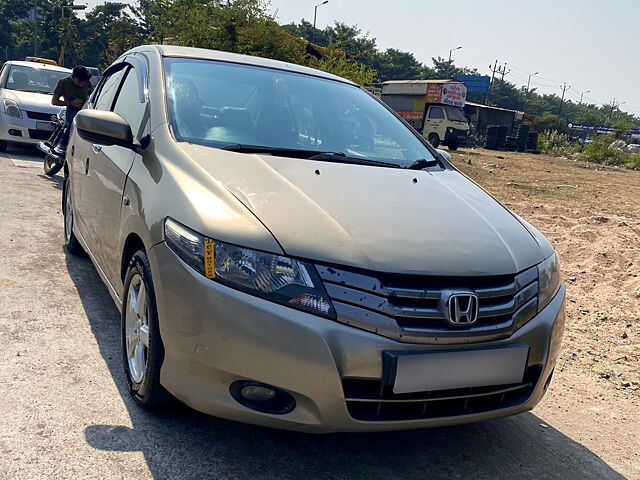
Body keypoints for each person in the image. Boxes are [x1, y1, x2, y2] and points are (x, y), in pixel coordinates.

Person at [51, 66, 92, 154]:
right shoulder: (63, 83)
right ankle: (63, 143)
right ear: (73, 77)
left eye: (84, 82)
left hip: (84, 111)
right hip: (71, 111)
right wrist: (71, 103)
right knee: (76, 118)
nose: (81, 84)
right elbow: (54, 101)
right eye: (79, 82)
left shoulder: (87, 83)